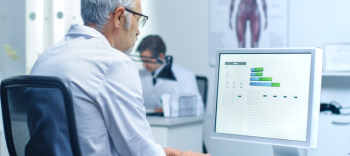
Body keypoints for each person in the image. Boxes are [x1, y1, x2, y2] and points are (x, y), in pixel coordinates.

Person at [30, 0, 210, 155]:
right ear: (119, 17)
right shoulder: (114, 63)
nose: (138, 31)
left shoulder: (45, 58)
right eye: (138, 20)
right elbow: (138, 151)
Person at [137, 35, 204, 115]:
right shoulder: (138, 75)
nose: (144, 64)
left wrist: (171, 109)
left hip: (175, 126)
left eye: (147, 60)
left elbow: (198, 109)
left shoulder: (184, 76)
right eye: (142, 59)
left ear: (160, 56)